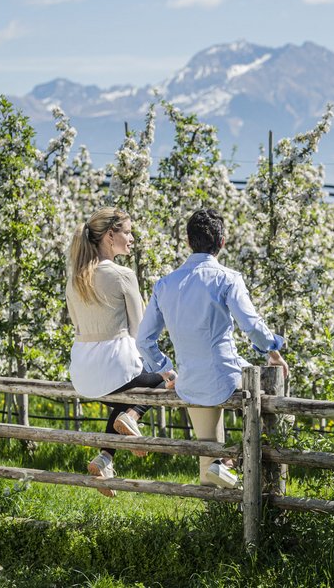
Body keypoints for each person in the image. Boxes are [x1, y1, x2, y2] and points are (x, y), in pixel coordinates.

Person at [136, 208, 289, 488]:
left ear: (187, 241)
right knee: (276, 417)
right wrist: (273, 350)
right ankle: (232, 463)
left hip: (189, 379)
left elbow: (144, 340)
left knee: (207, 453)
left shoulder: (165, 285)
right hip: (228, 374)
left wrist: (165, 370)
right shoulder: (228, 278)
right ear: (222, 242)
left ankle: (216, 495)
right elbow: (252, 325)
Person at [66, 206, 177, 497]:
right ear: (110, 235)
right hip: (117, 364)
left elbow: (77, 325)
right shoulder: (122, 275)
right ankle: (134, 415)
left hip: (82, 372)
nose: (131, 238)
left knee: (122, 399)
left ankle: (105, 458)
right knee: (164, 380)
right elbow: (141, 335)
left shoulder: (75, 278)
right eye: (127, 232)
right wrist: (166, 369)